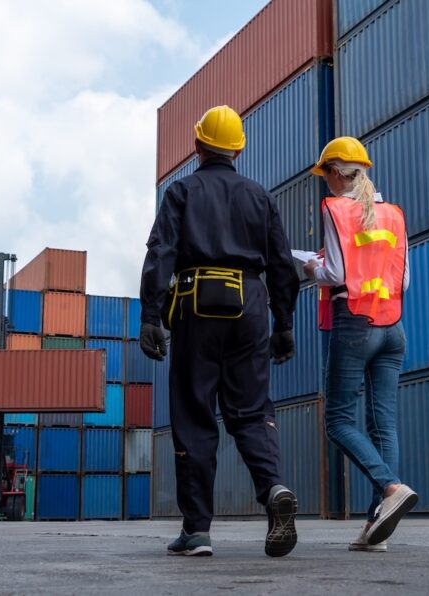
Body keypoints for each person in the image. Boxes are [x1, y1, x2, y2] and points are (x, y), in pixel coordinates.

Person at [139, 105, 300, 558]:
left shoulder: (181, 192)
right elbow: (283, 267)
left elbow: (161, 253)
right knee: (250, 410)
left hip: (197, 304)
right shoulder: (260, 196)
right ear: (238, 151)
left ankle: (197, 531)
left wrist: (151, 315)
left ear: (197, 145)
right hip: (251, 306)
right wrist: (284, 324)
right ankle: (272, 490)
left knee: (194, 414)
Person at [303, 136, 418, 552]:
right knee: (383, 425)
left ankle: (390, 487)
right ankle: (375, 528)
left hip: (354, 326)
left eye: (325, 175)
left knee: (338, 420)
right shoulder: (394, 215)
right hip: (393, 328)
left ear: (335, 172)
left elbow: (334, 273)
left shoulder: (336, 209)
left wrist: (311, 265)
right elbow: (402, 281)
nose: (325, 183)